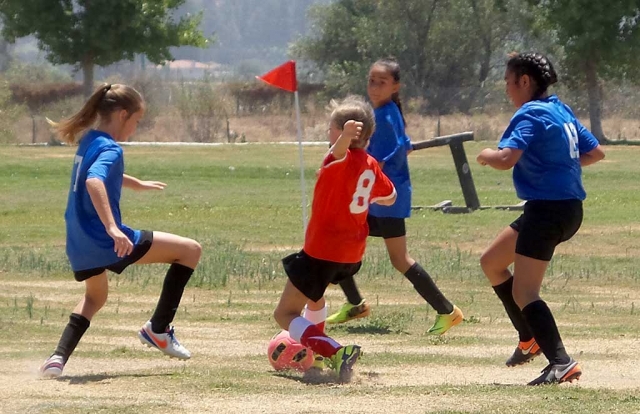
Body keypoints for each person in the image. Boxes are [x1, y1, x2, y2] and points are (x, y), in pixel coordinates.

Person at [39, 83, 202, 378]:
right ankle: (158, 329)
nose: (136, 128)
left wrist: (134, 183)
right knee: (190, 250)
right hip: (106, 240)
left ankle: (57, 358)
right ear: (123, 114)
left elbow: (94, 172)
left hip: (79, 242)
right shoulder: (112, 148)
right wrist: (113, 228)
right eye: (137, 121)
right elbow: (94, 181)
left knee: (94, 298)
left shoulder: (90, 139)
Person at [476, 52, 605, 385]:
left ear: (524, 81)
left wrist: (486, 155)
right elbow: (594, 152)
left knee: (525, 293)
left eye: (508, 82)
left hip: (546, 210)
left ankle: (561, 363)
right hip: (567, 208)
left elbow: (505, 159)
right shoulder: (560, 110)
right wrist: (558, 166)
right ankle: (528, 337)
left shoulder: (529, 113)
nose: (507, 90)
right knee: (492, 261)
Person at [327, 58, 463, 335]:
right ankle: (355, 304)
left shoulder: (386, 117)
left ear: (396, 86)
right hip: (379, 198)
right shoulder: (385, 113)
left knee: (396, 258)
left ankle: (447, 311)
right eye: (372, 81)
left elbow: (377, 165)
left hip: (385, 200)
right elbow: (405, 148)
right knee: (338, 242)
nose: (375, 87)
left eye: (382, 82)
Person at [273, 95, 396, 382]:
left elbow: (339, 152)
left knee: (285, 314)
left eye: (331, 128)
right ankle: (313, 351)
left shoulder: (337, 159)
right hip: (351, 254)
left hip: (323, 250)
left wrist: (343, 140)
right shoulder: (370, 164)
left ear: (341, 133)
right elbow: (390, 197)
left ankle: (335, 350)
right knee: (314, 301)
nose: (328, 134)